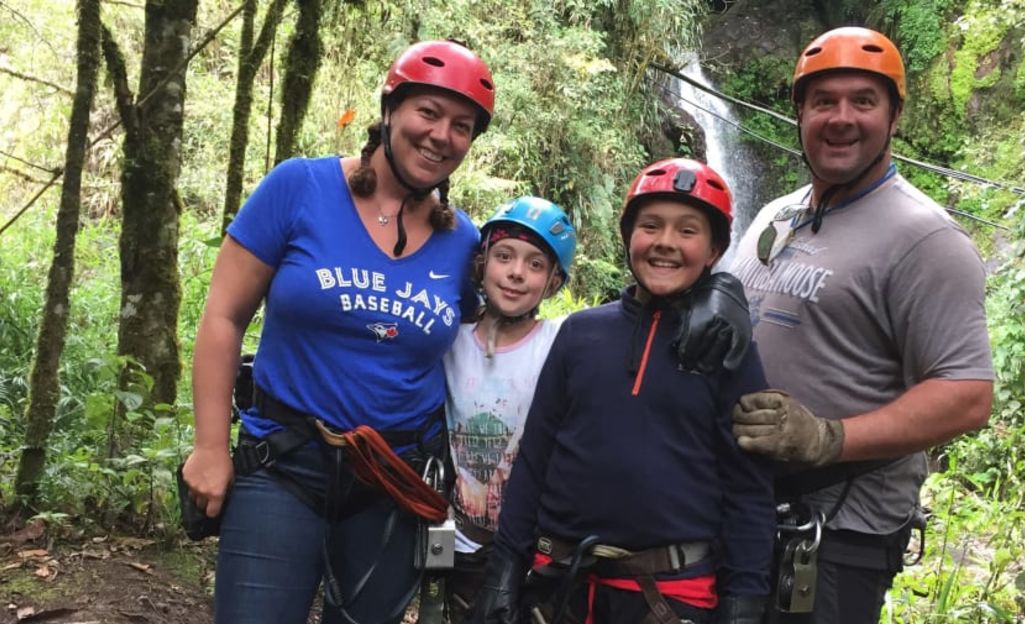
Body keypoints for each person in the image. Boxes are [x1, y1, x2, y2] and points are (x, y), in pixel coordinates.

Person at [180, 40, 496, 624]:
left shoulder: (467, 246)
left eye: (462, 126)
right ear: (390, 110)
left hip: (396, 480)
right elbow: (224, 315)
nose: (441, 135)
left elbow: (489, 358)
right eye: (427, 112)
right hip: (284, 463)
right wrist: (207, 447)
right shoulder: (298, 188)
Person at [685, 27, 994, 624]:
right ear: (799, 111)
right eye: (824, 101)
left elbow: (967, 396)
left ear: (895, 115)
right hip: (736, 515)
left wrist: (829, 437)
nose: (841, 118)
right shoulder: (780, 214)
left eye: (863, 101)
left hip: (831, 538)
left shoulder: (926, 239)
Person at [470, 158, 775, 624]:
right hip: (560, 588)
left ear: (714, 250)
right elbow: (535, 459)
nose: (666, 243)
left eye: (688, 231)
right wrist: (504, 571)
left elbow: (747, 487)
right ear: (628, 236)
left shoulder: (727, 350)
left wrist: (744, 602)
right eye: (650, 225)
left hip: (671, 594)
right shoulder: (580, 334)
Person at [443, 196, 577, 622]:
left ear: (554, 282)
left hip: (535, 551)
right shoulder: (449, 341)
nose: (517, 273)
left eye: (536, 264)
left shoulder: (559, 343)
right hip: (463, 544)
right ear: (482, 264)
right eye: (504, 256)